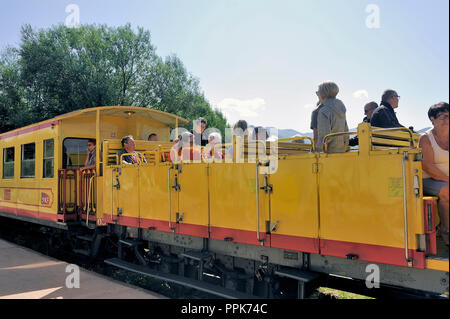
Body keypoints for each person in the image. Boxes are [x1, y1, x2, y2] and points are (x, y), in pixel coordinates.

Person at [419, 102, 449, 246]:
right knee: (447, 192)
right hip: (429, 180)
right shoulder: (426, 138)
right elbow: (427, 166)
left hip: (446, 179)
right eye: (444, 117)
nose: (447, 120)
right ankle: (445, 229)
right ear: (432, 119)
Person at [315, 81, 349, 153]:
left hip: (329, 154)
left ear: (323, 93)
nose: (317, 94)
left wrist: (316, 150)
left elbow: (325, 137)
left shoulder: (324, 111)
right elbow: (346, 132)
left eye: (317, 92)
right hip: (341, 152)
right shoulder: (341, 109)